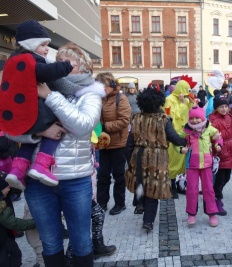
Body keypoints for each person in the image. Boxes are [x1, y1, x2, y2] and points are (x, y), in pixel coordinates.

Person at [7, 42, 106, 266]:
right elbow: (12, 130)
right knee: (50, 243)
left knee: (81, 242)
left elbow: (83, 126)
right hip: (38, 183)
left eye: (69, 63)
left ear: (82, 68)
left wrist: (50, 95)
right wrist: (39, 132)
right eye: (58, 61)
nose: (62, 66)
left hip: (75, 180)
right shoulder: (37, 86)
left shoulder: (89, 94)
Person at [1, 20, 77, 191]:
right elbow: (45, 72)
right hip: (36, 109)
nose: (46, 49)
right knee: (55, 129)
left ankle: (17, 170)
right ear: (31, 44)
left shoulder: (12, 59)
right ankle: (42, 166)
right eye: (43, 44)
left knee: (30, 140)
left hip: (19, 111)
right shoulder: (32, 60)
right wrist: (65, 66)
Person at [125, 86, 187, 231]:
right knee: (153, 188)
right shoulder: (163, 119)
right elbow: (174, 138)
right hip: (157, 159)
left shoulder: (137, 118)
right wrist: (186, 140)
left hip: (138, 156)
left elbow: (129, 143)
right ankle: (148, 221)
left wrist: (130, 160)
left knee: (141, 182)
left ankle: (140, 204)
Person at [179, 103, 222, 227]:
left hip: (207, 164)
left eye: (197, 118)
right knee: (192, 190)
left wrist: (218, 143)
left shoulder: (209, 128)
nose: (194, 120)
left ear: (202, 118)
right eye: (192, 118)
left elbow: (219, 137)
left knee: (208, 189)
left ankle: (212, 213)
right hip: (191, 164)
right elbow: (177, 140)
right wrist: (180, 148)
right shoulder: (186, 130)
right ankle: (191, 213)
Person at [95, 72, 131, 215]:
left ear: (110, 85)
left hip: (118, 144)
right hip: (102, 143)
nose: (100, 89)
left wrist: (105, 127)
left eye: (102, 86)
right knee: (103, 175)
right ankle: (102, 202)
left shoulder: (121, 99)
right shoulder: (97, 98)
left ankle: (120, 203)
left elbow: (124, 120)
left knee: (118, 175)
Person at [209, 96, 232, 216]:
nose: (224, 109)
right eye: (221, 107)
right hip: (220, 150)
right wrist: (215, 144)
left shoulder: (229, 117)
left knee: (227, 177)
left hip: (230, 149)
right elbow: (211, 135)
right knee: (220, 179)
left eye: (225, 106)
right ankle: (216, 200)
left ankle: (214, 196)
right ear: (216, 108)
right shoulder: (213, 119)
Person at [164, 75, 197, 199]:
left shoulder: (186, 99)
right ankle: (170, 187)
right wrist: (183, 104)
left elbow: (192, 113)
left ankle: (180, 185)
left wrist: (191, 103)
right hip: (174, 134)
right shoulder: (169, 99)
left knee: (183, 161)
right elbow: (171, 115)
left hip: (186, 132)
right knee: (173, 161)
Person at [0, 173, 36, 267]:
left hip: (6, 236)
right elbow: (12, 222)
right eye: (8, 188)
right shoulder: (1, 206)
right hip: (3, 240)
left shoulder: (4, 199)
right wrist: (34, 223)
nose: (9, 189)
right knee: (12, 257)